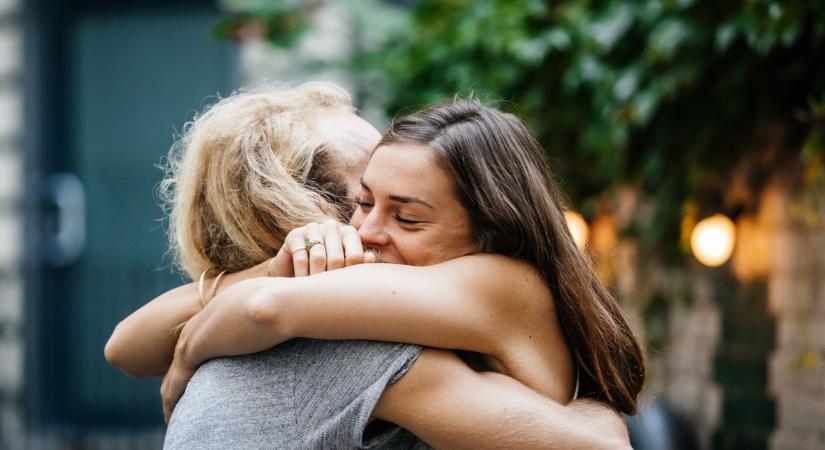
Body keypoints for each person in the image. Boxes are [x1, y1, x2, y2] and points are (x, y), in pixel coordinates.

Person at [106, 83, 636, 449]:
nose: (366, 231)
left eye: (406, 214)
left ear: (490, 225)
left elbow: (260, 308)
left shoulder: (482, 285)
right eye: (362, 200)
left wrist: (186, 356)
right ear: (302, 209)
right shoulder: (350, 337)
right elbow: (127, 344)